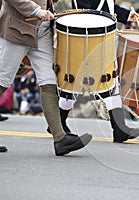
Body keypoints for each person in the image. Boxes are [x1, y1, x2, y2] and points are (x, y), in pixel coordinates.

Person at [0, 0, 92, 155]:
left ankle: (60, 139)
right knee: (2, 80)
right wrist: (36, 11)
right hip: (16, 29)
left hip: (41, 31)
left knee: (49, 80)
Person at [53, 0, 139, 143]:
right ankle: (58, 122)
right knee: (76, 83)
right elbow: (83, 14)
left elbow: (108, 7)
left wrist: (126, 15)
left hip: (104, 38)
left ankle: (119, 128)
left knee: (109, 80)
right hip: (88, 40)